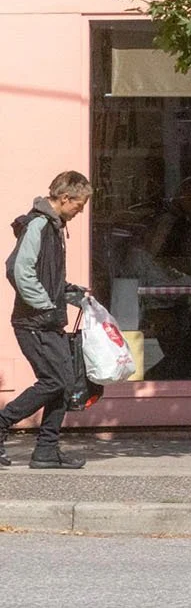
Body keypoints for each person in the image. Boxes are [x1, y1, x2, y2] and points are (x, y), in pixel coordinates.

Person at [0, 171, 93, 469]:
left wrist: (69, 292)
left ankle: (46, 452)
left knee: (64, 383)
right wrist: (45, 304)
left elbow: (44, 275)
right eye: (80, 204)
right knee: (54, 380)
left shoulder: (55, 226)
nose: (81, 210)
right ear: (65, 198)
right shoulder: (39, 224)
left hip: (47, 320)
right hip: (34, 322)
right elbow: (18, 270)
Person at [141, 176, 191, 381]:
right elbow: (154, 254)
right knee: (181, 351)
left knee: (183, 349)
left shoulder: (179, 219)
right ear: (188, 196)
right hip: (162, 293)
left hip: (171, 288)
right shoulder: (168, 220)